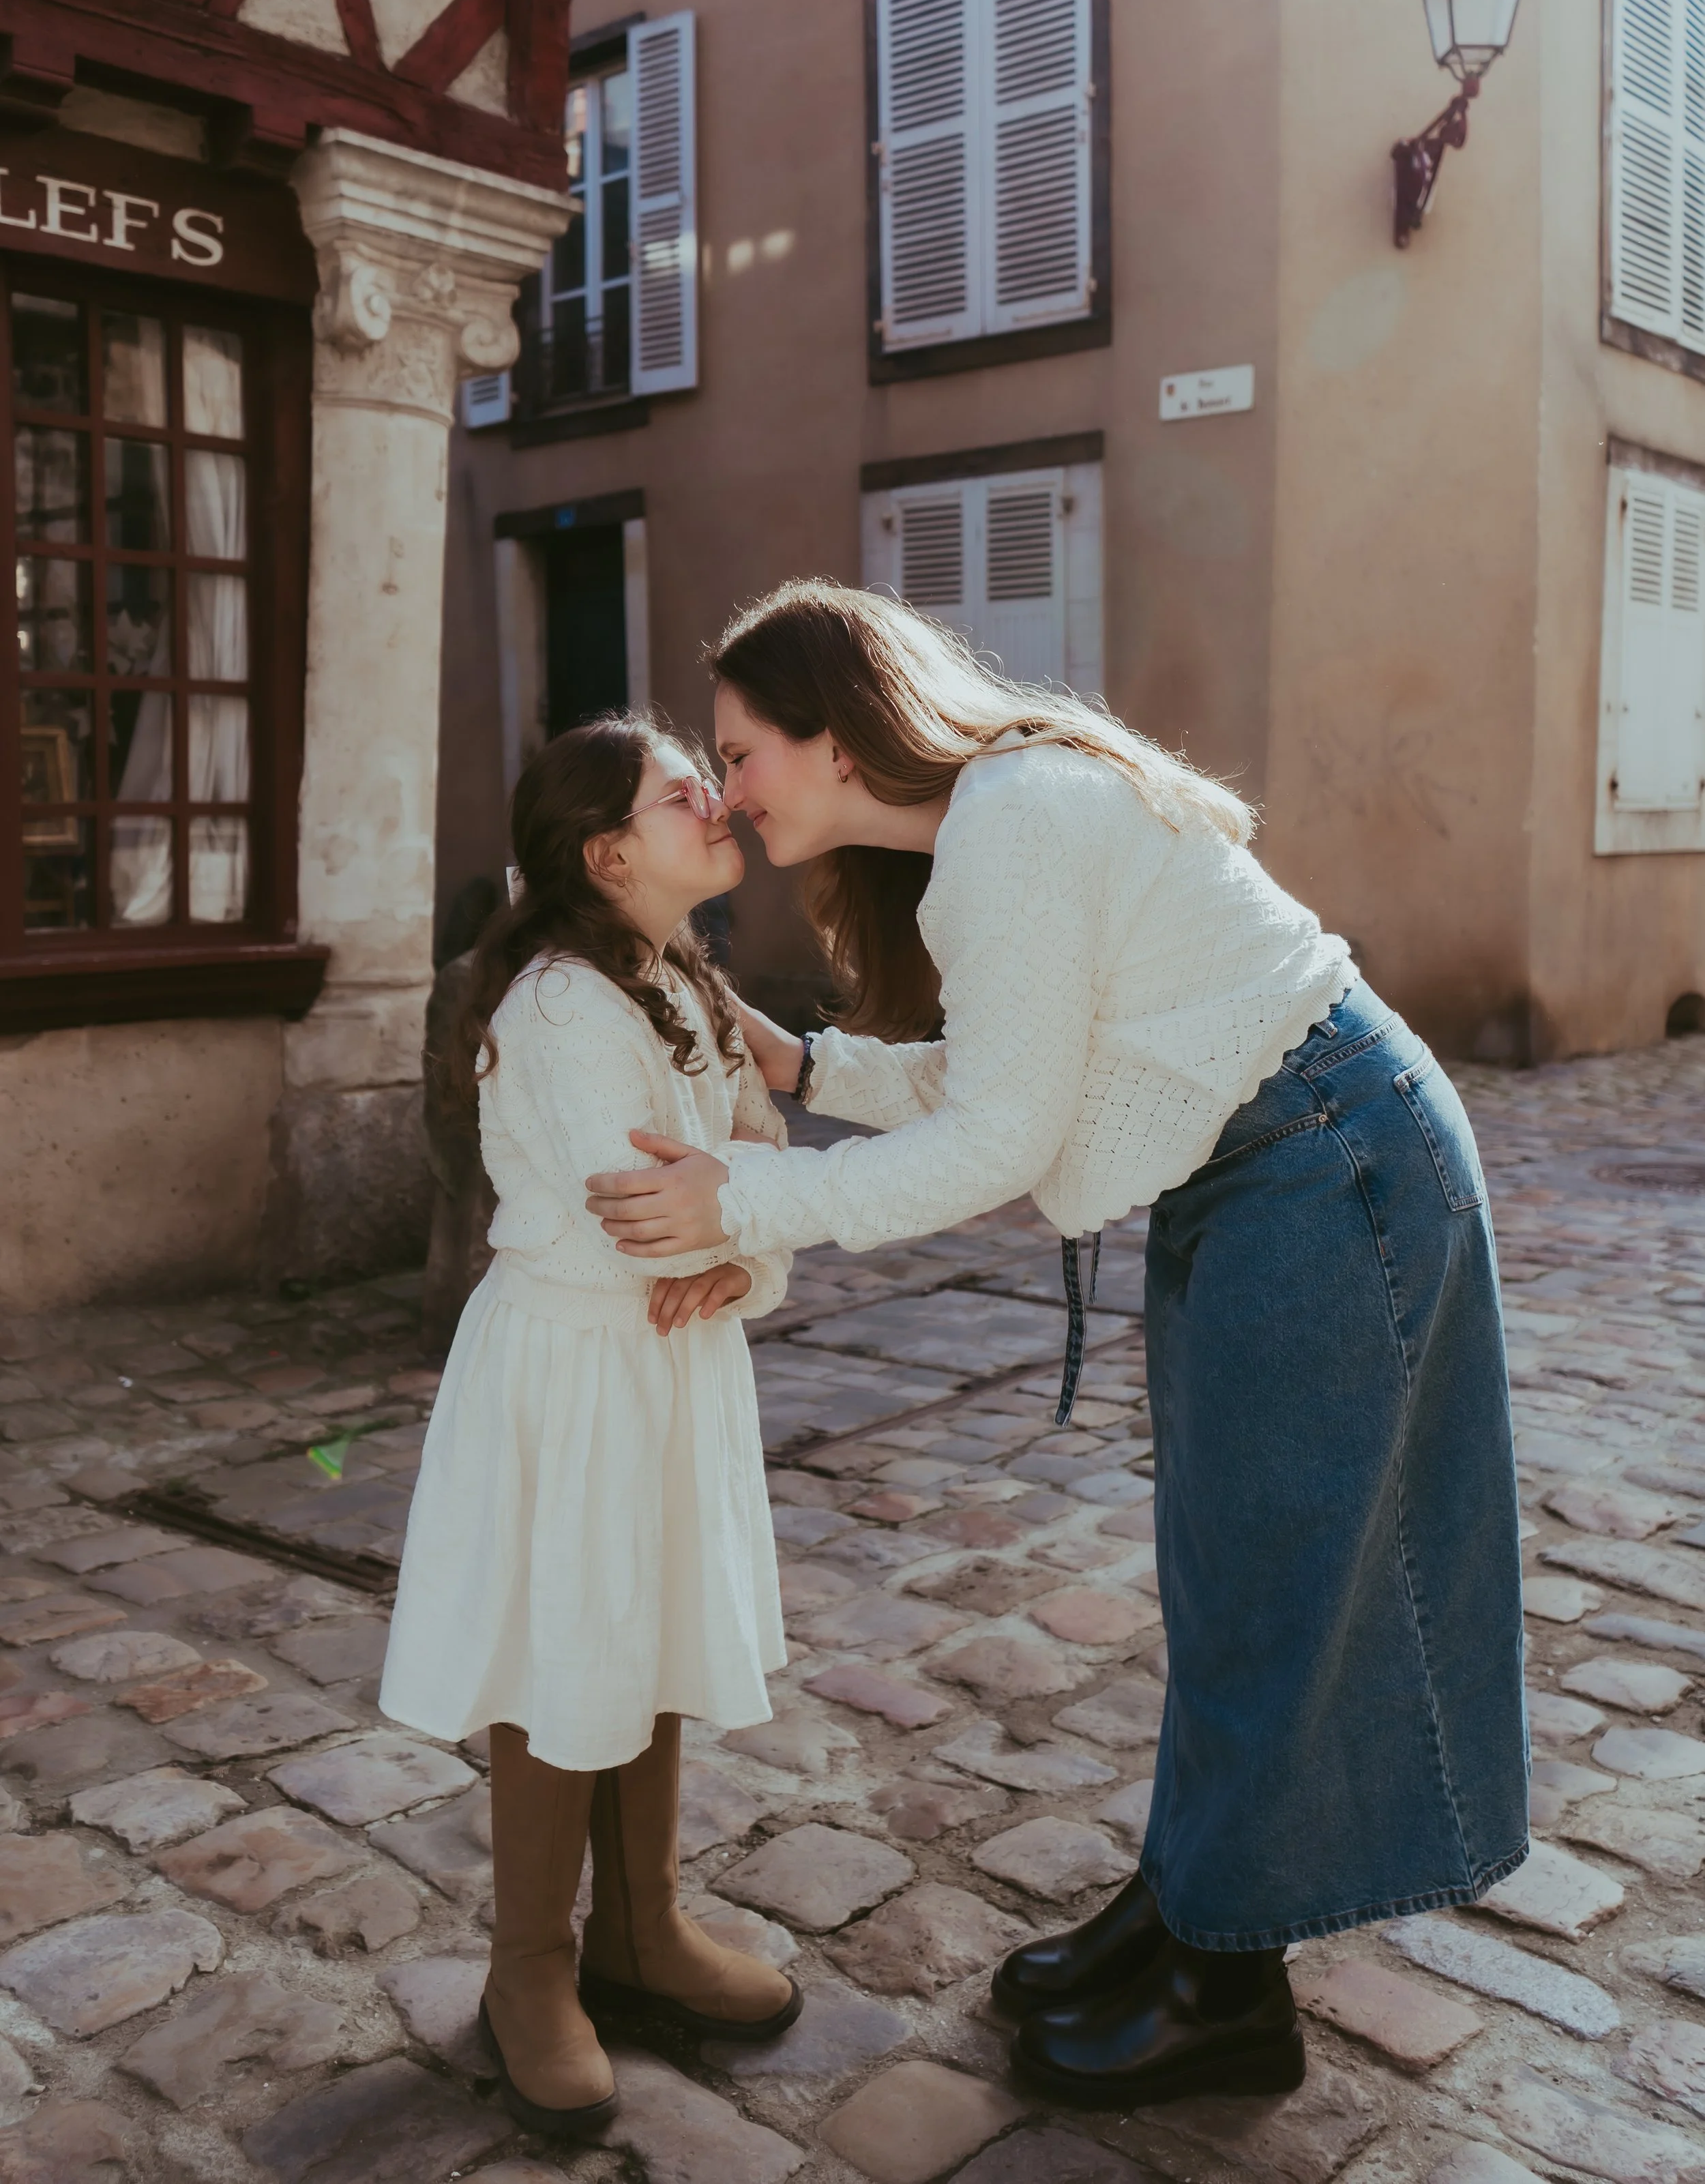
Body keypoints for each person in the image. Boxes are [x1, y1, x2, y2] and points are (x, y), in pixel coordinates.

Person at [584, 581, 1528, 2114]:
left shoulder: (1011, 818)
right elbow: (1009, 1069)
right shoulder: (989, 823)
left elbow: (995, 1141)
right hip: (1271, 1163)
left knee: (1273, 1582)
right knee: (1222, 1572)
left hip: (1331, 1163)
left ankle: (1228, 1993)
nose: (731, 791)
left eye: (742, 752)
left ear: (836, 740)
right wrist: (805, 1064)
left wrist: (740, 1199)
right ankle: (1190, 1908)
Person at [381, 715, 803, 2142]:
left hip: (672, 1360)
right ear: (607, 852)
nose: (717, 800)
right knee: (568, 1642)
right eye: (684, 792)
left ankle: (641, 1928)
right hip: (576, 1366)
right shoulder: (562, 1007)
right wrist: (728, 1234)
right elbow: (639, 1208)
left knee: (653, 1626)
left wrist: (742, 1259)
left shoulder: (679, 976)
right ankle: (529, 1967)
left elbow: (757, 1153)